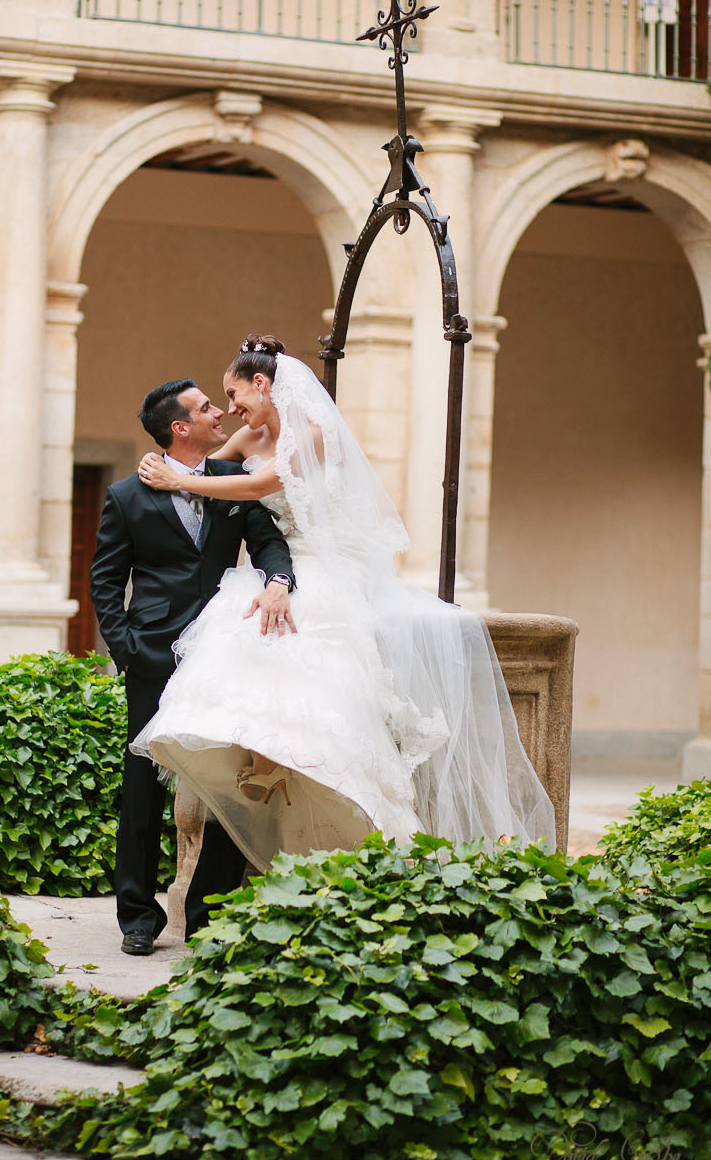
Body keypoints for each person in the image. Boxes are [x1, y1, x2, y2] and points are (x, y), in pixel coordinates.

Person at [132, 336, 556, 874]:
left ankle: (286, 763)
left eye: (234, 393)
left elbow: (263, 483)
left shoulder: (317, 434)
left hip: (326, 564)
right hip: (279, 561)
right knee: (241, 628)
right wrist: (170, 470)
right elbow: (205, 473)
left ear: (261, 383)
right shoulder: (249, 434)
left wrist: (180, 477)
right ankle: (261, 757)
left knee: (300, 635)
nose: (232, 406)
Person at [90, 378, 296, 956]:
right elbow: (105, 581)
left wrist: (279, 583)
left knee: (226, 780)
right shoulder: (126, 496)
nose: (217, 414)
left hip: (222, 654)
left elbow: (270, 543)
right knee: (142, 789)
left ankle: (209, 911)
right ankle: (137, 915)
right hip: (153, 653)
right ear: (180, 427)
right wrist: (127, 647)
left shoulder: (233, 484)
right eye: (206, 408)